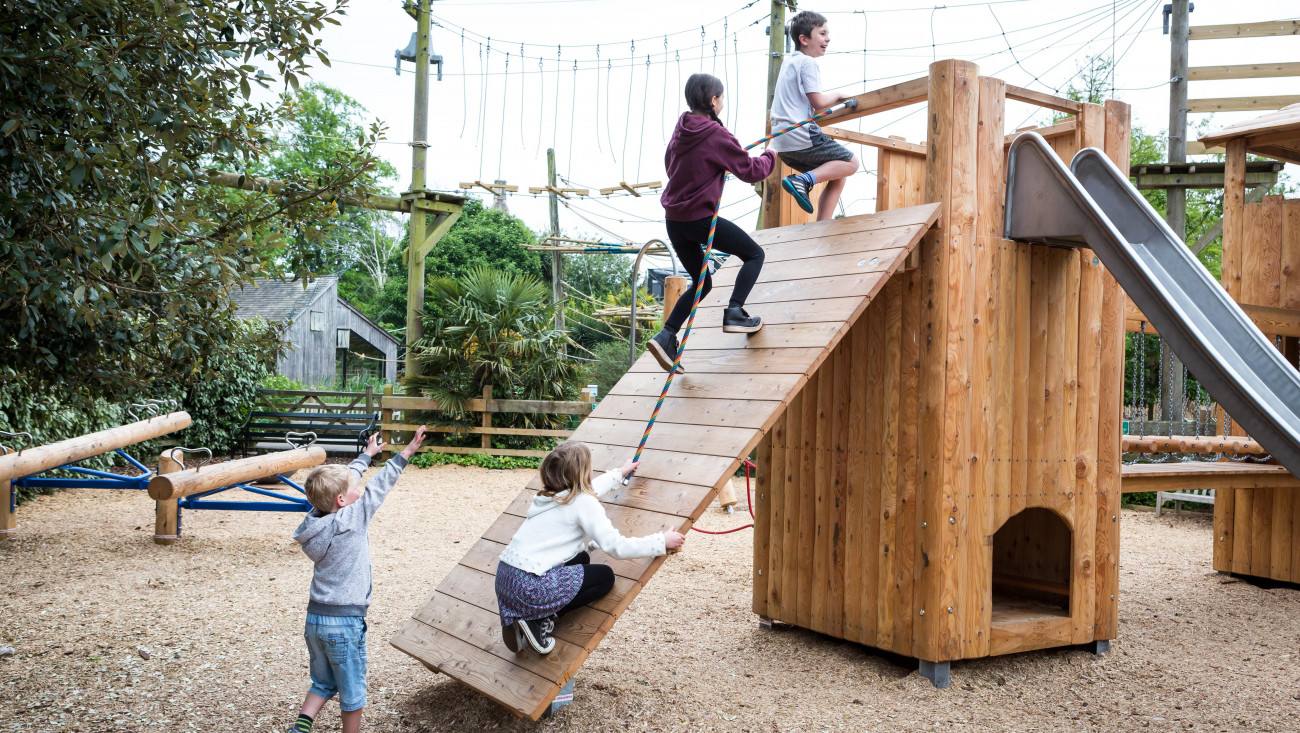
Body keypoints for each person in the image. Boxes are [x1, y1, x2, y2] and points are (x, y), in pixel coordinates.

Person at [286, 426, 428, 733]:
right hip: (344, 623)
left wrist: (365, 456)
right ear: (341, 500)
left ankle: (300, 727)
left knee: (323, 682)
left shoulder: (314, 520)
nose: (360, 490)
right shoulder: (353, 519)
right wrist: (406, 453)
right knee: (352, 691)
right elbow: (380, 486)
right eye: (354, 490)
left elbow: (344, 481)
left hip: (315, 619)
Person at [495, 441, 686, 654]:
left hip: (506, 581)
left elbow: (590, 490)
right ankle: (538, 619)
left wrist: (619, 473)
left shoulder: (548, 497)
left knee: (582, 558)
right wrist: (661, 541)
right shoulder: (583, 503)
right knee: (604, 577)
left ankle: (521, 616)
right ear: (583, 473)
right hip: (530, 588)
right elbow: (616, 547)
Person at [650, 72, 777, 372]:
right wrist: (772, 155)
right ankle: (734, 311)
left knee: (702, 282)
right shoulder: (715, 134)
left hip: (675, 221)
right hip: (699, 218)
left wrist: (711, 169)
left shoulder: (680, 131)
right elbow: (750, 170)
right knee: (754, 254)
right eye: (721, 98)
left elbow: (671, 166)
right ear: (712, 100)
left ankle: (667, 334)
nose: (723, 103)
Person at [770, 10, 861, 221]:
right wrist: (838, 94)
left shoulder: (789, 63)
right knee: (852, 163)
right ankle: (803, 181)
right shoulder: (808, 63)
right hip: (800, 135)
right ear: (804, 39)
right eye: (822, 33)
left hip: (781, 143)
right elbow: (818, 104)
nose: (827, 38)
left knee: (839, 173)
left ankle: (822, 225)